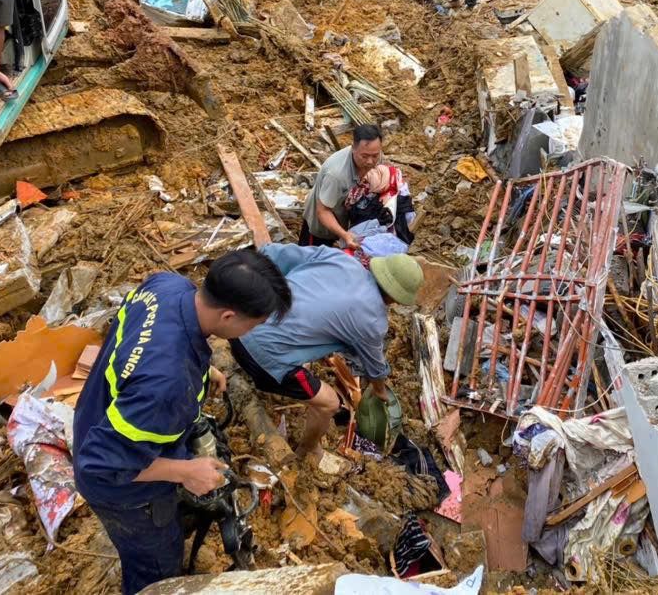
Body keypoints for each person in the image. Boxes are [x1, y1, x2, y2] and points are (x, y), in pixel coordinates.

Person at [73, 252, 293, 595]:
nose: (249, 333)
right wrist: (185, 472)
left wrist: (200, 368)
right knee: (156, 567)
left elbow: (143, 343)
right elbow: (99, 464)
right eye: (250, 326)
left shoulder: (168, 286)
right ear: (229, 315)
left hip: (97, 413)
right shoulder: (167, 385)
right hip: (122, 488)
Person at [229, 244, 423, 463]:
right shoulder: (373, 322)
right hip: (260, 356)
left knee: (305, 360)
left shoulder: (339, 259)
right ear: (395, 298)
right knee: (330, 403)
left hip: (237, 322)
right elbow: (375, 369)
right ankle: (308, 451)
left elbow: (273, 254)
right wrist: (380, 392)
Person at [301, 125, 385, 247]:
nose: (370, 162)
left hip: (341, 213)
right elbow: (323, 211)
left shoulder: (374, 155)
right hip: (321, 226)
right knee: (311, 260)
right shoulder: (336, 175)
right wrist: (345, 235)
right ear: (353, 149)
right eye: (365, 156)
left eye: (375, 156)